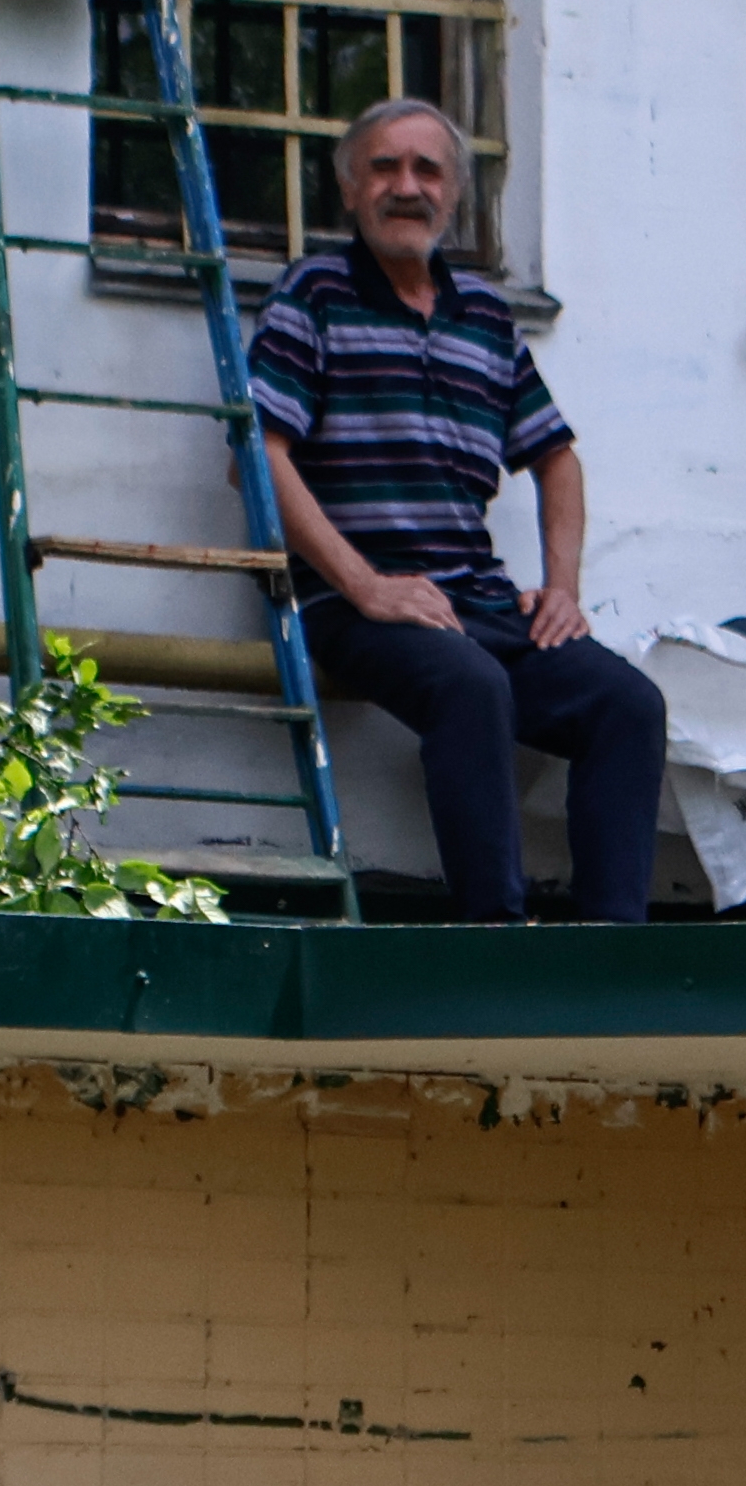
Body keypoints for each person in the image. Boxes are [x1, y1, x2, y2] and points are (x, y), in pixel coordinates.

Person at [253, 98, 669, 923]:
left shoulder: (484, 313)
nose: (406, 187)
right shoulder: (313, 294)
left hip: (474, 600)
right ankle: (494, 937)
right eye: (383, 167)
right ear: (349, 188)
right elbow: (257, 456)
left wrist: (562, 589)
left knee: (626, 703)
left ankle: (611, 951)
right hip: (349, 604)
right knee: (470, 685)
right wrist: (367, 586)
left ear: (454, 196)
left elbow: (556, 457)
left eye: (427, 170)